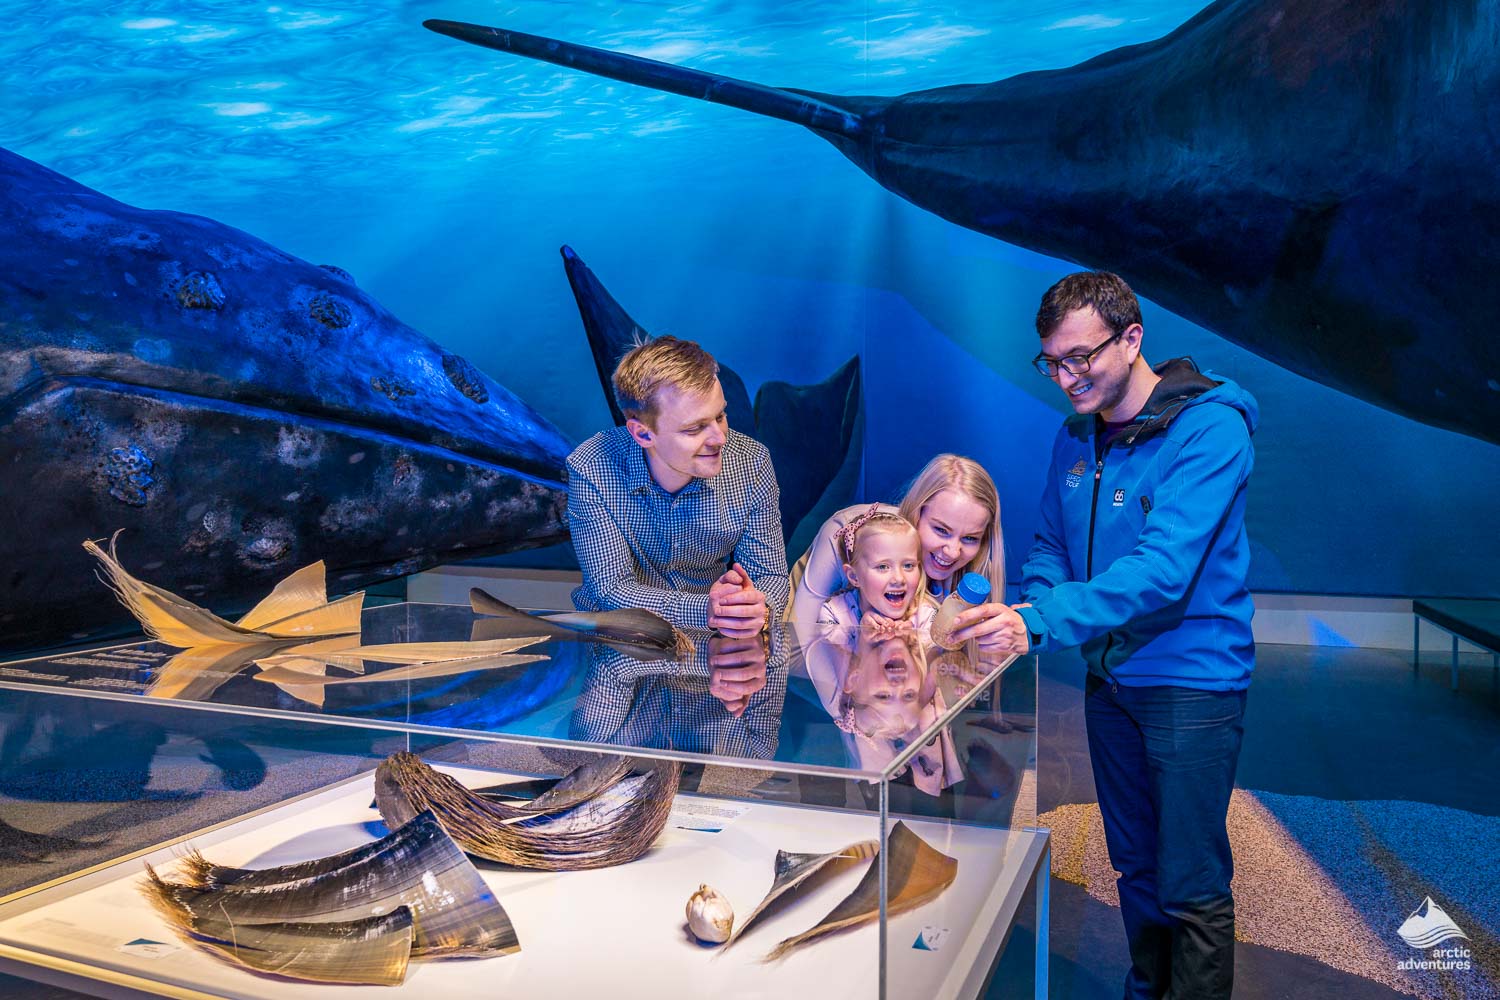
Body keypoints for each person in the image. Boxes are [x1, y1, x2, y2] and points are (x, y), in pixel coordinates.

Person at [976, 271, 1257, 1000]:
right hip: (1112, 682)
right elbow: (1048, 546)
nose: (1066, 379)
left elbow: (1163, 569)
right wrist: (1035, 604)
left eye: (1081, 358)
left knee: (1190, 877)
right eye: (1052, 363)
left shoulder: (1212, 427)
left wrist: (1036, 622)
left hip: (1192, 682)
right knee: (1133, 863)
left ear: (1132, 339)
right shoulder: (1075, 438)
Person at [567, 336, 789, 636]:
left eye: (720, 416)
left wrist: (757, 610)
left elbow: (770, 575)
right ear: (643, 435)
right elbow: (611, 591)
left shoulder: (752, 462)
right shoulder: (592, 467)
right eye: (695, 428)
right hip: (616, 640)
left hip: (710, 644)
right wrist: (706, 610)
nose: (719, 438)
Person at [791, 454, 1008, 641]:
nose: (952, 551)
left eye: (970, 538)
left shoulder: (975, 571)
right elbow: (799, 640)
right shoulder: (855, 536)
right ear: (917, 511)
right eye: (941, 530)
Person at [815, 506, 937, 629]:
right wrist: (864, 635)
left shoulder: (926, 618)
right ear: (854, 576)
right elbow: (823, 648)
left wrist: (911, 642)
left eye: (908, 565)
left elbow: (937, 646)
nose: (899, 578)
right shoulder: (834, 614)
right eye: (883, 567)